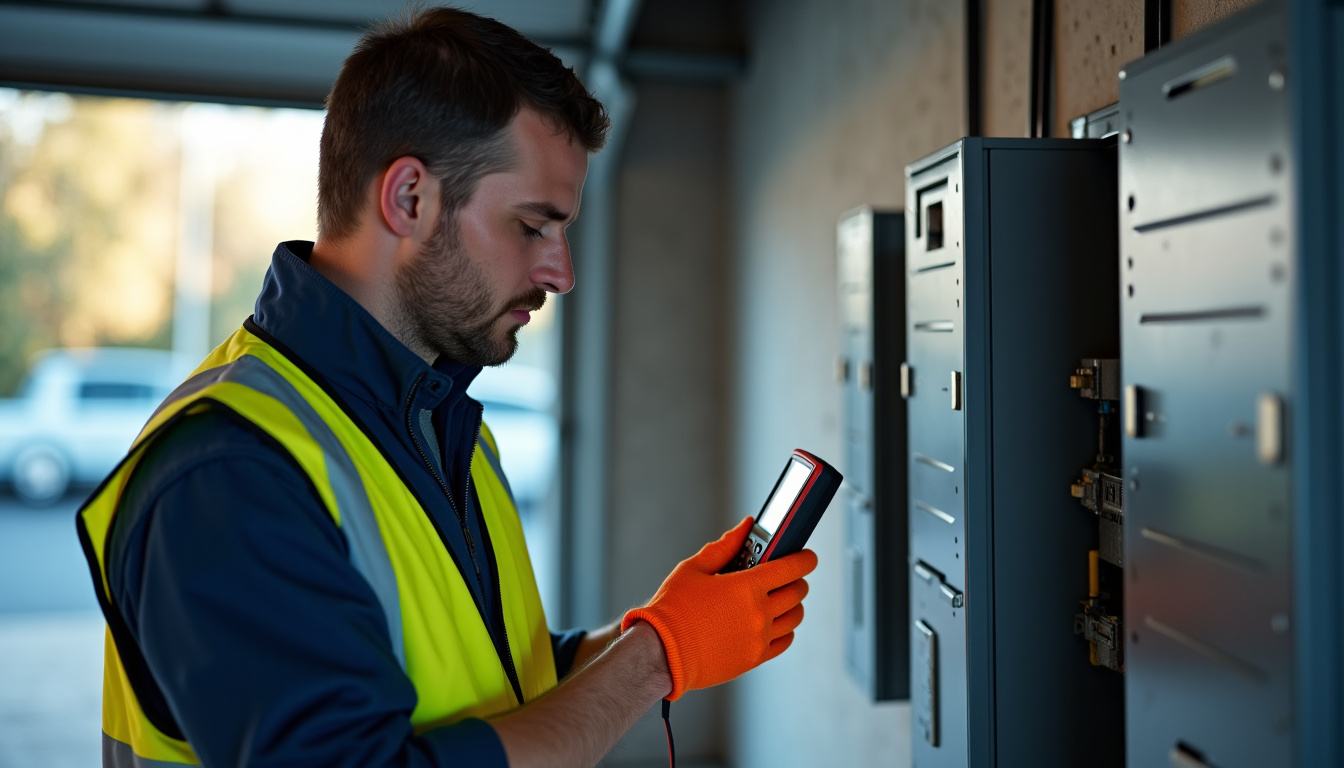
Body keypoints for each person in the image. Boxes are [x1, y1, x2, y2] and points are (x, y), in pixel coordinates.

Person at [77, 7, 817, 767]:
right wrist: (659, 656)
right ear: (409, 200)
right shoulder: (230, 473)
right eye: (533, 227)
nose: (562, 273)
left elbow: (494, 681)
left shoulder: (437, 423)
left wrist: (664, 627)